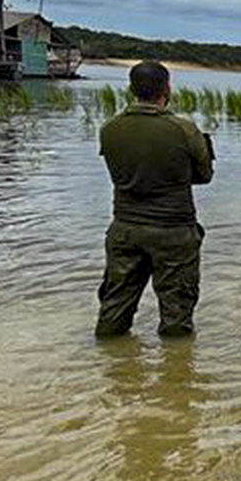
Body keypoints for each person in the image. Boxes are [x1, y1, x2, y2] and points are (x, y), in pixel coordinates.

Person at [96, 61, 213, 337]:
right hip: (173, 231)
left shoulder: (110, 128)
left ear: (132, 89)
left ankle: (111, 369)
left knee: (114, 307)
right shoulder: (184, 129)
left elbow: (121, 172)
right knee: (177, 315)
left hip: (124, 228)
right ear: (166, 88)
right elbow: (205, 175)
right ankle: (176, 374)